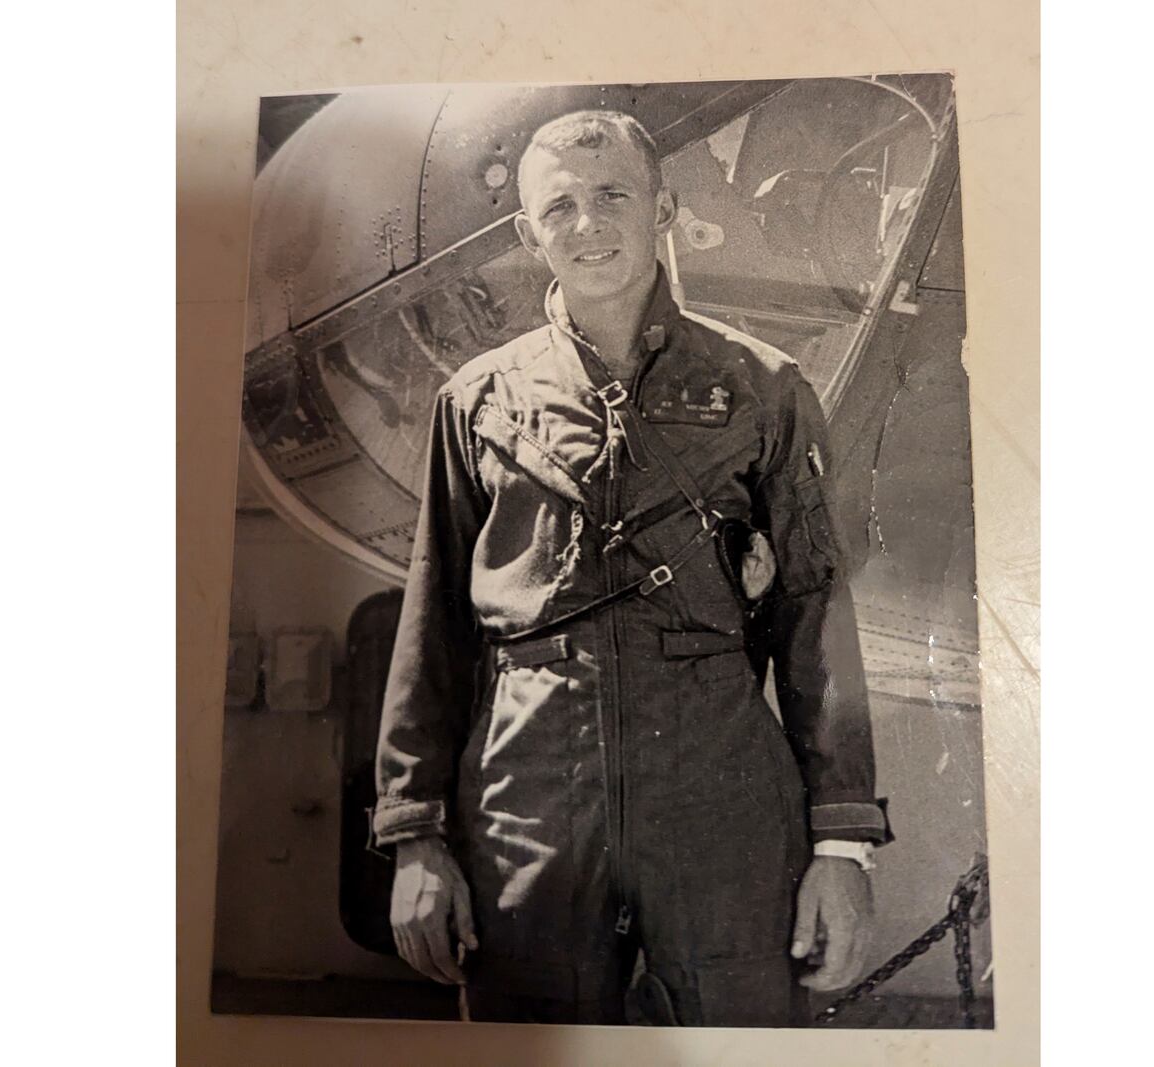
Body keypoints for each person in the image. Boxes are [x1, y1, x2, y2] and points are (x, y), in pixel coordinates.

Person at [371, 109, 891, 1027]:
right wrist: (415, 835)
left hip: (720, 798)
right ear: (530, 233)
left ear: (664, 207)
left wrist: (842, 846)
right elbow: (435, 630)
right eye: (561, 205)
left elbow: (815, 615)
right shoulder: (477, 403)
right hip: (526, 801)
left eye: (612, 194)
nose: (588, 222)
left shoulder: (764, 389)